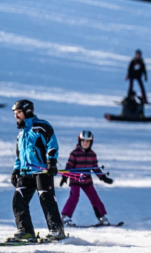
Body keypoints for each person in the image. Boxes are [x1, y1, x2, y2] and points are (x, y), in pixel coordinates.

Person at [10, 100, 65, 242]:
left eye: (19, 113)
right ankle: (26, 231)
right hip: (26, 173)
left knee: (46, 199)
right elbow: (19, 155)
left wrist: (51, 161)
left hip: (42, 172)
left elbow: (52, 143)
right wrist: (16, 170)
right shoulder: (21, 134)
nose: (16, 116)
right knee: (18, 200)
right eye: (15, 114)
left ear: (27, 112)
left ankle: (56, 230)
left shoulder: (42, 126)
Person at [60, 130, 113, 227]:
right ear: (80, 141)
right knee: (74, 196)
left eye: (87, 141)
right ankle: (65, 217)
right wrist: (64, 177)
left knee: (94, 197)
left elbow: (95, 168)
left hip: (87, 181)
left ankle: (101, 217)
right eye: (83, 141)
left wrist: (103, 178)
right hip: (75, 180)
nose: (85, 143)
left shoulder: (92, 155)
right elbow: (69, 166)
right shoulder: (74, 153)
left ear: (91, 143)